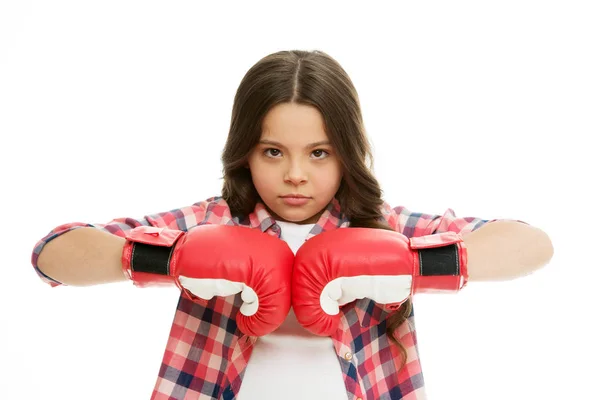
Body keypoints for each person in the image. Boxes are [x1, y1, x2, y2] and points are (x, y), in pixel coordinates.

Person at [31, 50, 552, 400]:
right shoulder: (214, 222)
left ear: (347, 153)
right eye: (273, 151)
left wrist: (410, 262)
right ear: (245, 152)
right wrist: (171, 258)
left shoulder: (380, 227)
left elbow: (533, 245)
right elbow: (51, 254)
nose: (296, 175)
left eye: (320, 152)